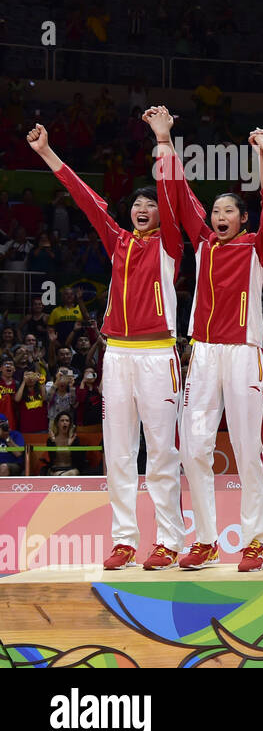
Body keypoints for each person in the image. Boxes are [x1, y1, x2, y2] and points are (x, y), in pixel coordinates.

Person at [28, 115, 185, 571]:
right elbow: (84, 197)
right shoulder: (117, 240)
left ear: (161, 215)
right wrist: (46, 154)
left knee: (161, 451)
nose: (142, 208)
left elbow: (174, 197)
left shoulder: (171, 245)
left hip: (158, 355)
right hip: (117, 354)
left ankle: (170, 540)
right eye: (137, 203)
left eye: (150, 204)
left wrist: (164, 141)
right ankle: (124, 540)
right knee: (118, 453)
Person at [158, 113, 263, 572]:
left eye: (229, 211)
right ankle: (206, 539)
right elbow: (179, 194)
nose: (220, 216)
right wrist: (166, 140)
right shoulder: (204, 243)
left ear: (243, 219)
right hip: (204, 353)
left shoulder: (258, 247)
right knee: (193, 447)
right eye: (216, 211)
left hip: (245, 354)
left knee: (249, 449)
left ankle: (255, 540)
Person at [45, 411, 84, 476]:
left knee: (72, 473)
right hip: (55, 469)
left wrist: (70, 445)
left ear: (70, 424)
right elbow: (52, 458)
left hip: (71, 469)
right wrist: (53, 442)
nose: (65, 422)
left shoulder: (74, 439)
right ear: (57, 423)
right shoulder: (51, 440)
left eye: (67, 421)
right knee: (56, 474)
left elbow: (78, 460)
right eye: (62, 421)